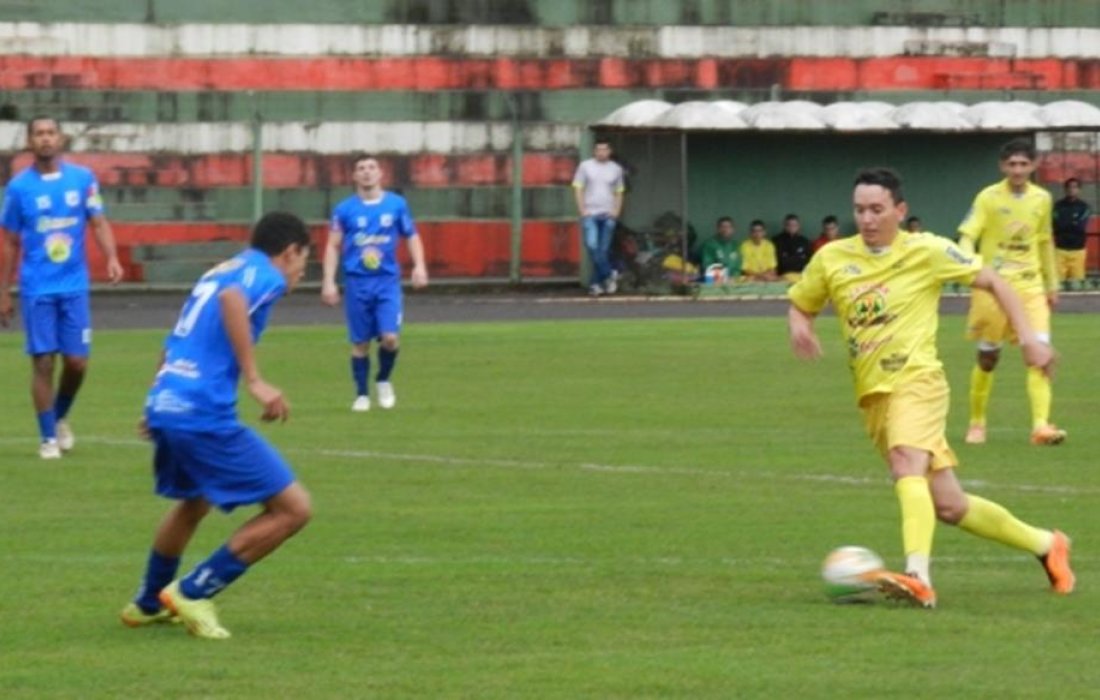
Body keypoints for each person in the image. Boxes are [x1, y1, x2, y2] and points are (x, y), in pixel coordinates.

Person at [788, 167, 1074, 609]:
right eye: (860, 210)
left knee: (906, 461)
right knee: (950, 506)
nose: (867, 219)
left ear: (900, 210)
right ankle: (1046, 544)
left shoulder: (928, 250)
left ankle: (918, 576)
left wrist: (1031, 339)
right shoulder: (832, 258)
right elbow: (801, 303)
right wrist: (800, 326)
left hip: (918, 380)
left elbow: (995, 281)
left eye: (877, 209)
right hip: (874, 396)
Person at [120, 211, 313, 639]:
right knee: (294, 509)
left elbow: (177, 337)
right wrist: (255, 380)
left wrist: (156, 399)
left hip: (169, 397)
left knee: (194, 501)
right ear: (290, 251)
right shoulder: (265, 275)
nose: (303, 271)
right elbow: (232, 301)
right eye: (305, 260)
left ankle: (149, 602)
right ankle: (192, 591)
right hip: (200, 410)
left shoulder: (222, 269)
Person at [0, 115, 124, 459]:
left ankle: (59, 417)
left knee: (77, 362)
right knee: (43, 362)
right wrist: (3, 290)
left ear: (61, 138)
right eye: (39, 134)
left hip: (73, 286)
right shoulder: (19, 188)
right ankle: (48, 440)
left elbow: (98, 222)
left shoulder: (82, 179)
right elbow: (10, 241)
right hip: (37, 287)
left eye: (50, 133)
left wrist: (112, 257)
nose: (45, 138)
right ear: (30, 141)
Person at [958, 139, 1065, 446]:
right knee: (988, 357)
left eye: (1023, 164)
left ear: (1033, 165)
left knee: (1039, 352)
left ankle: (1040, 426)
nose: (1017, 170)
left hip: (1031, 285)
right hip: (994, 287)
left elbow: (1044, 241)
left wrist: (1052, 283)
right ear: (1002, 166)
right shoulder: (988, 197)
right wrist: (969, 264)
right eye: (1012, 164)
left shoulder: (1042, 199)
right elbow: (968, 234)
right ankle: (977, 422)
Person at [322, 154, 429, 412]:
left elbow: (411, 236)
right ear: (354, 176)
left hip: (387, 282)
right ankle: (361, 395)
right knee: (360, 343)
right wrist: (328, 281)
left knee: (390, 338)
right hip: (357, 283)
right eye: (361, 168)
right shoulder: (344, 210)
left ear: (380, 173)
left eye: (371, 167)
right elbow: (333, 245)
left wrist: (419, 265)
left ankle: (383, 379)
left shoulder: (396, 205)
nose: (367, 172)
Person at [572, 139, 625, 297]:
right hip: (590, 214)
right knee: (592, 245)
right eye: (598, 149)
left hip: (608, 214)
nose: (601, 152)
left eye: (604, 149)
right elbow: (578, 188)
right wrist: (582, 210)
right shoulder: (585, 166)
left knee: (603, 250)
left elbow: (619, 192)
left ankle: (595, 284)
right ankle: (610, 273)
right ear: (594, 151)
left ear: (609, 151)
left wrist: (616, 211)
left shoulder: (616, 169)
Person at [1052, 178, 1092, 290]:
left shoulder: (1084, 207)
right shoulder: (1057, 206)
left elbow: (1080, 227)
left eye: (1075, 187)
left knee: (1077, 285)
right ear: (1065, 189)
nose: (1071, 190)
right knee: (1058, 285)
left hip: (1078, 250)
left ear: (1079, 190)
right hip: (1060, 250)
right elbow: (1056, 225)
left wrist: (1066, 223)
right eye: (1069, 187)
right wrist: (1072, 222)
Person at [699, 216, 741, 283]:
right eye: (723, 227)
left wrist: (734, 277)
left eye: (728, 227)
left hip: (733, 282)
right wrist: (722, 277)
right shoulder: (709, 244)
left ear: (733, 229)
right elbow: (707, 266)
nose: (725, 229)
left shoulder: (735, 246)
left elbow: (737, 267)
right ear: (718, 229)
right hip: (714, 282)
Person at [773, 214, 812, 282]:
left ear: (798, 226)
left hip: (801, 277)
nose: (792, 227)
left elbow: (809, 261)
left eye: (794, 225)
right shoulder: (776, 241)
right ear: (785, 226)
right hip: (781, 277)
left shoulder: (805, 242)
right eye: (789, 225)